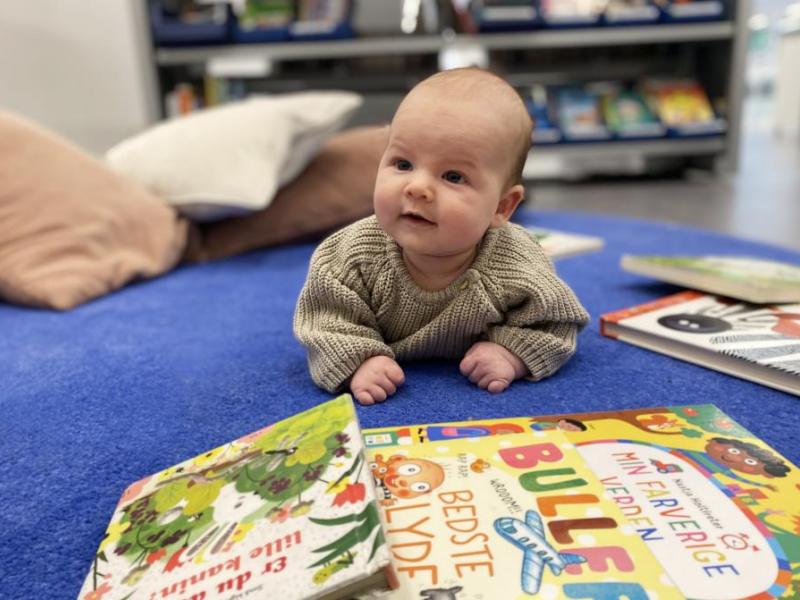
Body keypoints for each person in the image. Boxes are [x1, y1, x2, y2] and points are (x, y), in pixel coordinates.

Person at [293, 67, 589, 405]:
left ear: (502, 207)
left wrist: (511, 353)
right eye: (403, 164)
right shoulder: (350, 256)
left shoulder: (517, 263)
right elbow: (324, 320)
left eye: (453, 176)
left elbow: (555, 322)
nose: (417, 187)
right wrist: (358, 360)